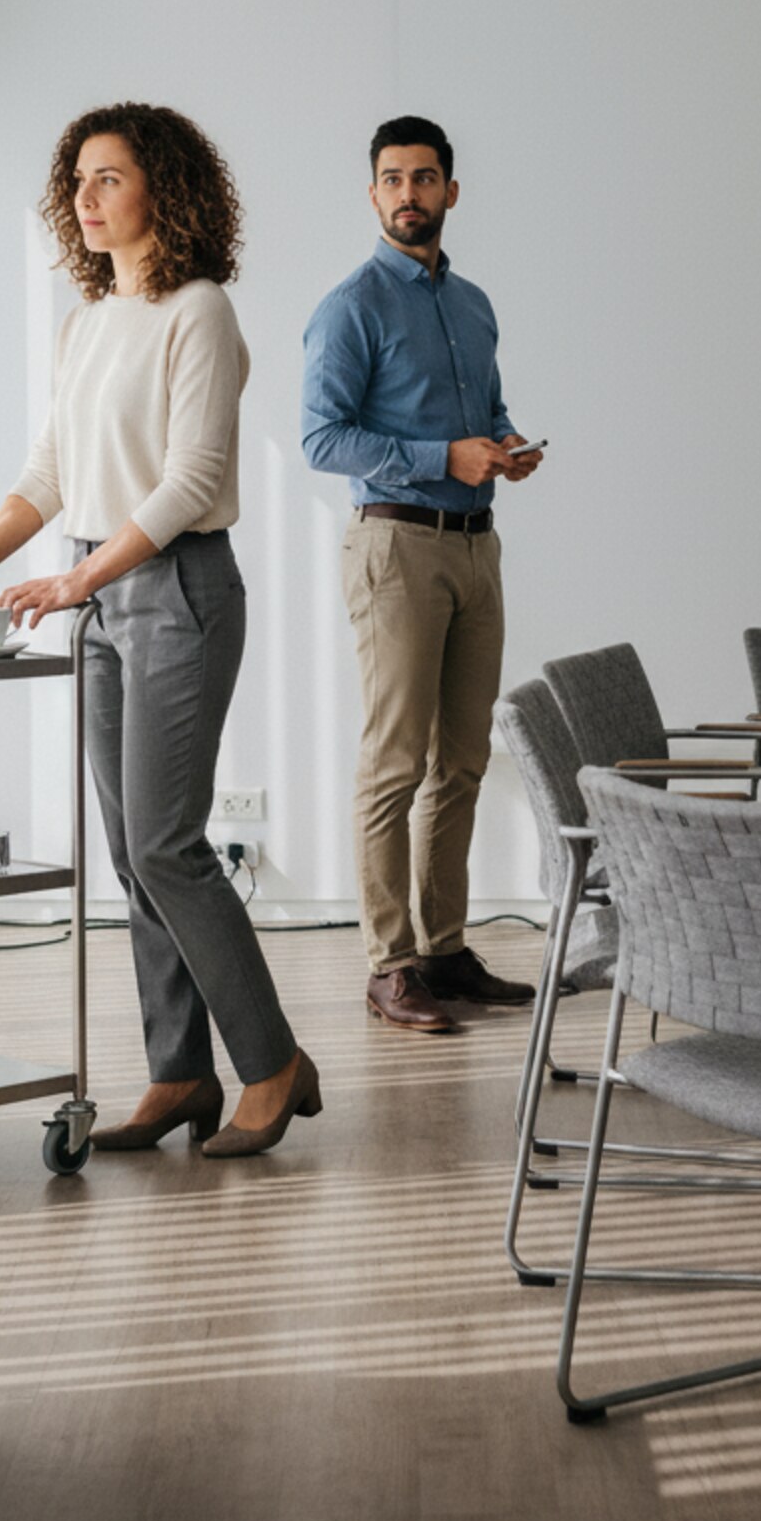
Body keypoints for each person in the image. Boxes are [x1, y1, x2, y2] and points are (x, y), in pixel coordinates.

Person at [0, 103, 316, 1158]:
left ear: (160, 192)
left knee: (168, 843)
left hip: (176, 588)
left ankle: (272, 1064)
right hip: (98, 592)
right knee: (133, 854)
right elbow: (48, 474)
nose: (83, 197)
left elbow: (194, 480)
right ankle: (179, 1072)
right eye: (75, 179)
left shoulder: (199, 312)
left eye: (108, 177)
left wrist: (78, 574)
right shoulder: (85, 324)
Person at [300, 116, 543, 1033]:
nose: (410, 193)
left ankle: (443, 950)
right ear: (373, 194)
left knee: (465, 761)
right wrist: (444, 453)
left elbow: (490, 409)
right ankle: (389, 962)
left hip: (477, 547)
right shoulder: (352, 305)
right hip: (397, 547)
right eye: (393, 179)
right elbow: (323, 437)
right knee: (395, 763)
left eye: (426, 177)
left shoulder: (473, 303)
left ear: (450, 190)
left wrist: (505, 446)